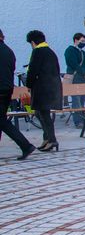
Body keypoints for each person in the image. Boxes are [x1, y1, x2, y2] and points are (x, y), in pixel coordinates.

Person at [0, 28, 36, 159]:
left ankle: (26, 145)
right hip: (7, 89)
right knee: (1, 119)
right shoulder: (9, 51)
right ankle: (25, 146)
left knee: (2, 120)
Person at [25, 30, 61, 152]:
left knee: (44, 114)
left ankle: (52, 140)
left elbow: (32, 70)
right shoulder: (50, 52)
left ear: (33, 42)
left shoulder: (38, 52)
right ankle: (47, 138)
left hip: (42, 88)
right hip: (52, 87)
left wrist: (28, 84)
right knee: (39, 113)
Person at [64, 32, 85, 128]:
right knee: (76, 101)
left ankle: (82, 120)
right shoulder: (70, 51)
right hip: (75, 78)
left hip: (83, 79)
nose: (83, 43)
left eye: (84, 41)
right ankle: (78, 122)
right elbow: (73, 64)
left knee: (82, 100)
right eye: (82, 41)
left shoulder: (83, 52)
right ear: (76, 40)